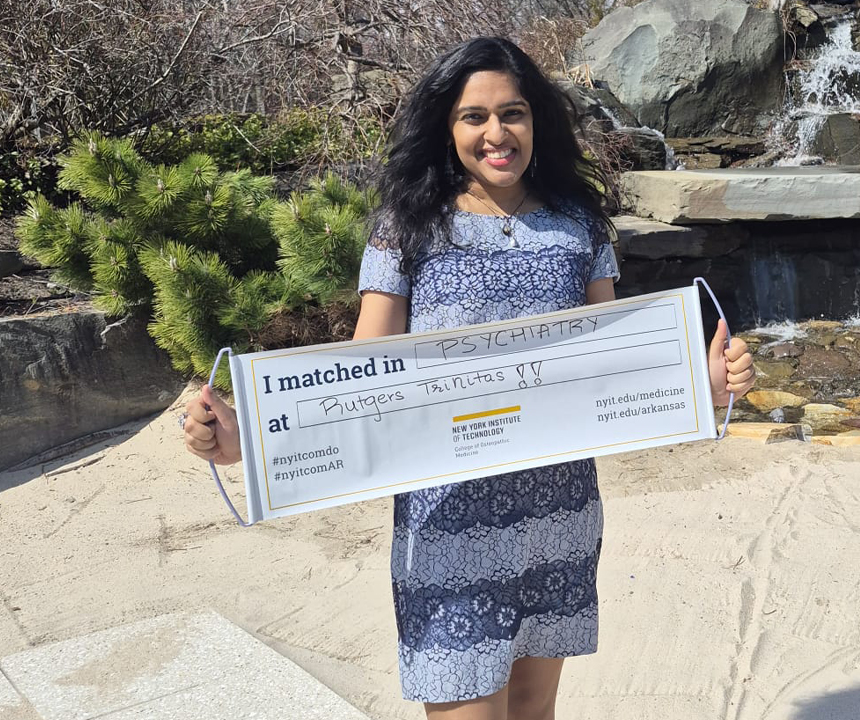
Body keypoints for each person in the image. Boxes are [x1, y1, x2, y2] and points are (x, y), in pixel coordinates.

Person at [183, 36, 755, 720]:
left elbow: (611, 367)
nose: (496, 133)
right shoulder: (408, 227)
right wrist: (248, 442)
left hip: (559, 513)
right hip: (448, 524)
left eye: (512, 113)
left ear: (536, 119)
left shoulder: (578, 226)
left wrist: (704, 388)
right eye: (473, 117)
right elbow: (362, 376)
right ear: (446, 127)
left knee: (533, 710)